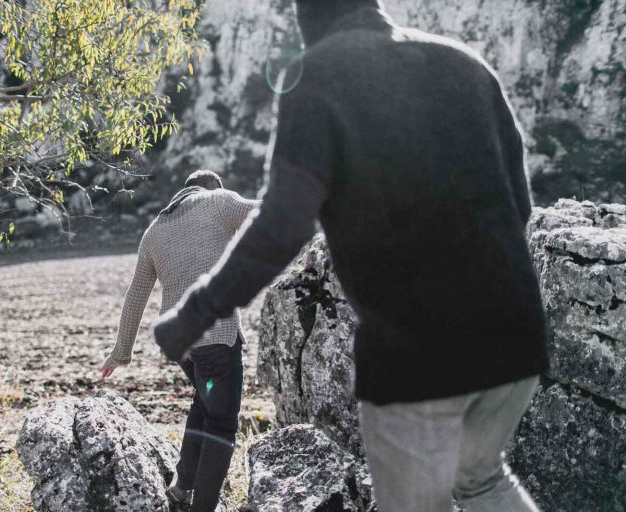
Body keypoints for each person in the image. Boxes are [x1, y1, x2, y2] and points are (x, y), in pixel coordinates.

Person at [153, 1, 549, 511]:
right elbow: (519, 206)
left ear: (307, 14)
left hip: (418, 350)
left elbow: (282, 224)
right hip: (515, 337)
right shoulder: (467, 65)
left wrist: (194, 313)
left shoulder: (316, 77)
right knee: (482, 480)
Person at [100, 170, 260, 512]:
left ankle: (180, 487)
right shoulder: (219, 201)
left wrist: (120, 353)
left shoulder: (153, 232)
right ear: (212, 187)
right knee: (221, 424)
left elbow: (135, 296)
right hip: (216, 339)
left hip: (183, 347)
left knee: (204, 402)